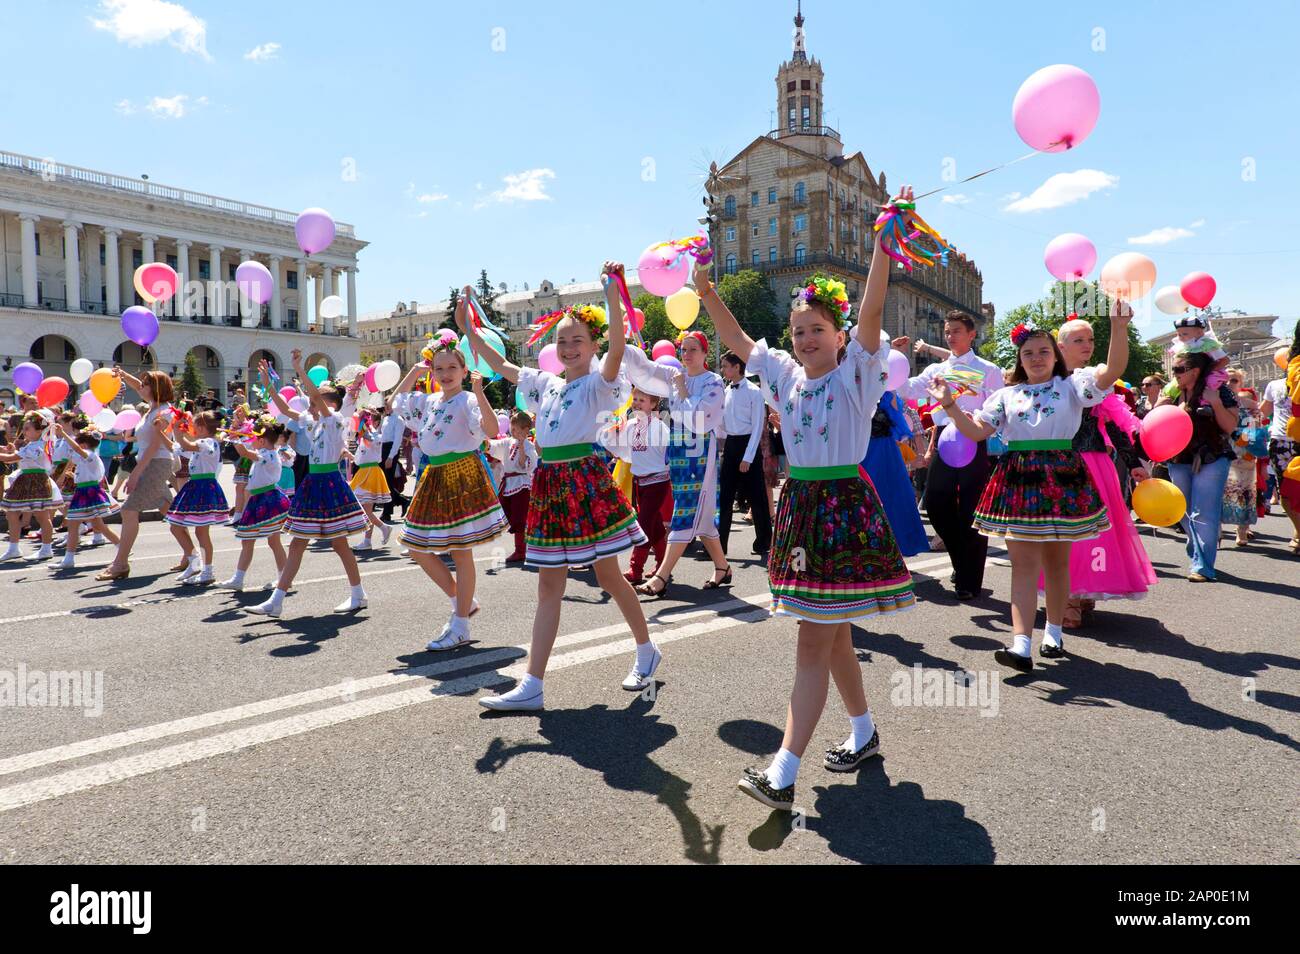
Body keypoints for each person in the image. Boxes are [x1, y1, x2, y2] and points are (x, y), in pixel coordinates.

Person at [697, 210, 915, 810]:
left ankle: (783, 770)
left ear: (839, 334)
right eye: (798, 331)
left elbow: (871, 311)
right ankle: (865, 733)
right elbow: (740, 342)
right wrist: (708, 291)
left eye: (817, 328)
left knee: (813, 642)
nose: (806, 339)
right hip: (800, 506)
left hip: (842, 506)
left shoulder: (855, 376)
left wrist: (879, 248)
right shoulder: (787, 375)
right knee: (833, 634)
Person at [463, 265, 663, 710]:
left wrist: (613, 296)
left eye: (578, 340)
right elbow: (501, 365)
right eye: (562, 340)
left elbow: (616, 349)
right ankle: (532, 684)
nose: (568, 347)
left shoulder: (600, 383)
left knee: (609, 577)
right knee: (548, 586)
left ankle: (647, 649)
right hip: (550, 486)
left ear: (592, 346)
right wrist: (469, 330)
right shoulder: (546, 385)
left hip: (584, 482)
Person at [933, 302, 1130, 672]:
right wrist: (950, 405)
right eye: (1028, 353)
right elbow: (976, 432)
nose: (1036, 358)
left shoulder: (1073, 386)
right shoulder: (1006, 396)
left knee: (1056, 562)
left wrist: (1118, 328)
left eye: (1043, 351)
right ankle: (1021, 644)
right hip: (1018, 477)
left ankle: (1053, 633)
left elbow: (1113, 370)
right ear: (1020, 360)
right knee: (1022, 565)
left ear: (1055, 357)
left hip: (1061, 475)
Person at [392, 327, 506, 650]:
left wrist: (480, 391)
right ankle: (462, 601)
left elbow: (493, 430)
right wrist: (413, 372)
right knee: (416, 545)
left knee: (460, 550)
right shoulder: (429, 401)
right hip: (434, 477)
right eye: (439, 368)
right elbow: (395, 403)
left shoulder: (468, 399)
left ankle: (461, 624)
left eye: (452, 368)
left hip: (461, 474)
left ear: (464, 370)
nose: (445, 374)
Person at [247, 351, 369, 617]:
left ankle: (358, 593)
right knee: (298, 542)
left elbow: (313, 400)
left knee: (339, 544)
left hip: (329, 483)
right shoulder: (312, 421)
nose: (311, 405)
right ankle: (276, 601)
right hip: (313, 483)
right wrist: (269, 385)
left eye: (316, 400)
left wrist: (298, 368)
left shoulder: (336, 420)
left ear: (330, 403)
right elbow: (286, 408)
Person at [1049, 317, 1154, 627]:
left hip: (1094, 464)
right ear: (1061, 346)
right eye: (1079, 340)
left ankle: (1081, 592)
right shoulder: (1047, 380)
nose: (1087, 345)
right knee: (1064, 533)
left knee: (1091, 534)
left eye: (1091, 339)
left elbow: (1115, 424)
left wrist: (1133, 462)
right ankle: (1069, 598)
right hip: (1057, 464)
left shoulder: (1093, 380)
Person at [894, 312, 1003, 600]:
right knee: (936, 503)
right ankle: (960, 559)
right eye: (947, 332)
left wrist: (973, 418)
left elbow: (997, 405)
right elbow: (905, 388)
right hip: (944, 439)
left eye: (956, 331)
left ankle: (969, 581)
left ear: (971, 335)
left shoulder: (988, 369)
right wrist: (892, 357)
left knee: (971, 511)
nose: (950, 336)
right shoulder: (935, 370)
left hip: (973, 438)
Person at [632, 329, 729, 596]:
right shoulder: (676, 377)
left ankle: (662, 575)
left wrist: (683, 392)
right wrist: (625, 346)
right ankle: (722, 566)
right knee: (703, 517)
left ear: (705, 353)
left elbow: (700, 419)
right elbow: (646, 370)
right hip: (679, 450)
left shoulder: (714, 381)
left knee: (685, 511)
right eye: (683, 349)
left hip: (700, 452)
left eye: (692, 349)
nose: (686, 355)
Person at [96, 371, 184, 582]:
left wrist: (134, 474)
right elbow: (138, 385)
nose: (140, 387)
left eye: (145, 385)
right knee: (169, 512)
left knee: (128, 510)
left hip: (155, 463)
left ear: (155, 388)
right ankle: (192, 554)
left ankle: (120, 564)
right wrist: (123, 374)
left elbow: (155, 446)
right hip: (149, 463)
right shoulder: (153, 408)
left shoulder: (163, 412)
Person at [1166, 350, 1240, 581]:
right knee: (1182, 511)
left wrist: (1216, 402)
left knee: (1204, 512)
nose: (1175, 374)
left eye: (1179, 370)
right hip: (1179, 457)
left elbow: (1230, 427)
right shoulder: (1176, 392)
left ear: (1195, 371)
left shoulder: (1220, 391)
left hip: (1212, 456)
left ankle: (1202, 566)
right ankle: (1198, 547)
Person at [609, 386, 672, 585]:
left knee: (643, 524)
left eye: (641, 400)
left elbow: (668, 452)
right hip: (640, 481)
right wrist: (612, 434)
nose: (636, 403)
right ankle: (663, 565)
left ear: (654, 404)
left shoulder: (660, 426)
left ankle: (636, 568)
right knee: (653, 525)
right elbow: (620, 450)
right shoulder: (630, 425)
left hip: (658, 481)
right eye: (634, 399)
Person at [220, 416, 291, 591]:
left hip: (268, 500)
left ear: (261, 440)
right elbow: (247, 453)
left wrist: (235, 439)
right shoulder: (266, 453)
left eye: (254, 438)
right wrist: (237, 437)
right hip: (258, 500)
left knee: (273, 541)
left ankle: (284, 578)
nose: (252, 441)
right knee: (249, 540)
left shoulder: (269, 455)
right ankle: (238, 578)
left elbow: (244, 453)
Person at [717, 351, 773, 558]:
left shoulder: (754, 391)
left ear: (737, 367)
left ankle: (764, 541)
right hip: (731, 445)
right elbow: (722, 422)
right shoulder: (726, 390)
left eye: (725, 366)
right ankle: (719, 546)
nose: (723, 370)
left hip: (749, 444)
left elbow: (758, 426)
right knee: (724, 498)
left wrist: (748, 457)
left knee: (757, 497)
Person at [862, 388, 930, 557]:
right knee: (864, 503)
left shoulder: (888, 395)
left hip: (884, 454)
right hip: (859, 454)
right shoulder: (846, 389)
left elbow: (899, 427)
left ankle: (892, 554)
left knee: (892, 501)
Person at [165, 410, 230, 584]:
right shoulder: (203, 442)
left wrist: (178, 431)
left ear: (201, 427)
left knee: (202, 532)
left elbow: (186, 445)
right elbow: (180, 446)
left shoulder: (208, 442)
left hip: (204, 488)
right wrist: (172, 433)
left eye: (193, 426)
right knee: (175, 525)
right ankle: (194, 562)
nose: (191, 429)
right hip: (195, 487)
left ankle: (208, 570)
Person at [53, 424, 119, 569]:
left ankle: (121, 548)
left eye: (79, 442)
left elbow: (76, 449)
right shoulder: (86, 457)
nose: (77, 446)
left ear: (83, 443)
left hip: (89, 492)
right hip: (83, 491)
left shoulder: (90, 455)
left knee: (82, 524)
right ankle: (121, 547)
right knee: (88, 525)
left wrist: (63, 434)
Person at [1260, 323, 1300, 552]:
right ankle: (1298, 530)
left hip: (1297, 439)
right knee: (1285, 489)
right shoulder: (1274, 386)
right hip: (1281, 441)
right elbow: (1262, 412)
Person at [0, 411, 61, 561]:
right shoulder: (32, 445)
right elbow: (16, 456)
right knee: (11, 513)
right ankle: (14, 548)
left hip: (36, 480)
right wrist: (10, 450)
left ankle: (46, 549)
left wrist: (8, 453)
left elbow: (11, 459)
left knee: (41, 516)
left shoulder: (38, 445)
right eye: (24, 428)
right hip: (25, 479)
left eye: (28, 428)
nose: (24, 431)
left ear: (39, 430)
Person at [492, 410, 538, 564]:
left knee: (520, 518)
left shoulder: (529, 445)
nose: (514, 432)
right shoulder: (508, 442)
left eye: (517, 429)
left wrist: (523, 446)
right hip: (509, 484)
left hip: (521, 485)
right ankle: (525, 548)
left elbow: (524, 465)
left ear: (525, 430)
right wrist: (481, 441)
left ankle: (521, 551)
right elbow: (493, 446)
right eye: (512, 429)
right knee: (506, 515)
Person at [347, 408, 393, 551]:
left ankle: (380, 529)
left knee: (365, 510)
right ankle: (372, 536)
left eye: (368, 419)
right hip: (364, 472)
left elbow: (369, 438)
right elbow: (360, 457)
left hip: (370, 473)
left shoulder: (374, 436)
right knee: (365, 510)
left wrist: (363, 422)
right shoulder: (365, 437)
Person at [1223, 386, 1263, 547]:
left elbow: (1258, 433)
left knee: (1243, 493)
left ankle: (1241, 530)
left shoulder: (1252, 408)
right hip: (1224, 453)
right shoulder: (1224, 404)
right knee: (1220, 492)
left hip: (1245, 456)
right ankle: (1217, 529)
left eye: (1234, 380)